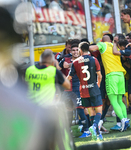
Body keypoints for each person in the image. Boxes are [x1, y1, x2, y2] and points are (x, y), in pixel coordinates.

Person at [0, 6, 75, 150]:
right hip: (40, 110)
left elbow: (19, 83)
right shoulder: (52, 71)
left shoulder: (29, 70)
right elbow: (66, 85)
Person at [89, 34, 130, 132]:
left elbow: (91, 48)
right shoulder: (115, 46)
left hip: (111, 75)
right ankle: (125, 120)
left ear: (103, 40)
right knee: (120, 100)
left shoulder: (103, 45)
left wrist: (88, 45)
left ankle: (123, 120)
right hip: (121, 74)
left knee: (113, 101)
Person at [67, 42, 103, 141]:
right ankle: (95, 126)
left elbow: (69, 77)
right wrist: (98, 84)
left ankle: (98, 134)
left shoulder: (75, 62)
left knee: (91, 112)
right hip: (94, 89)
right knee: (99, 111)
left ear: (80, 50)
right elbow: (99, 75)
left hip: (83, 91)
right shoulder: (94, 59)